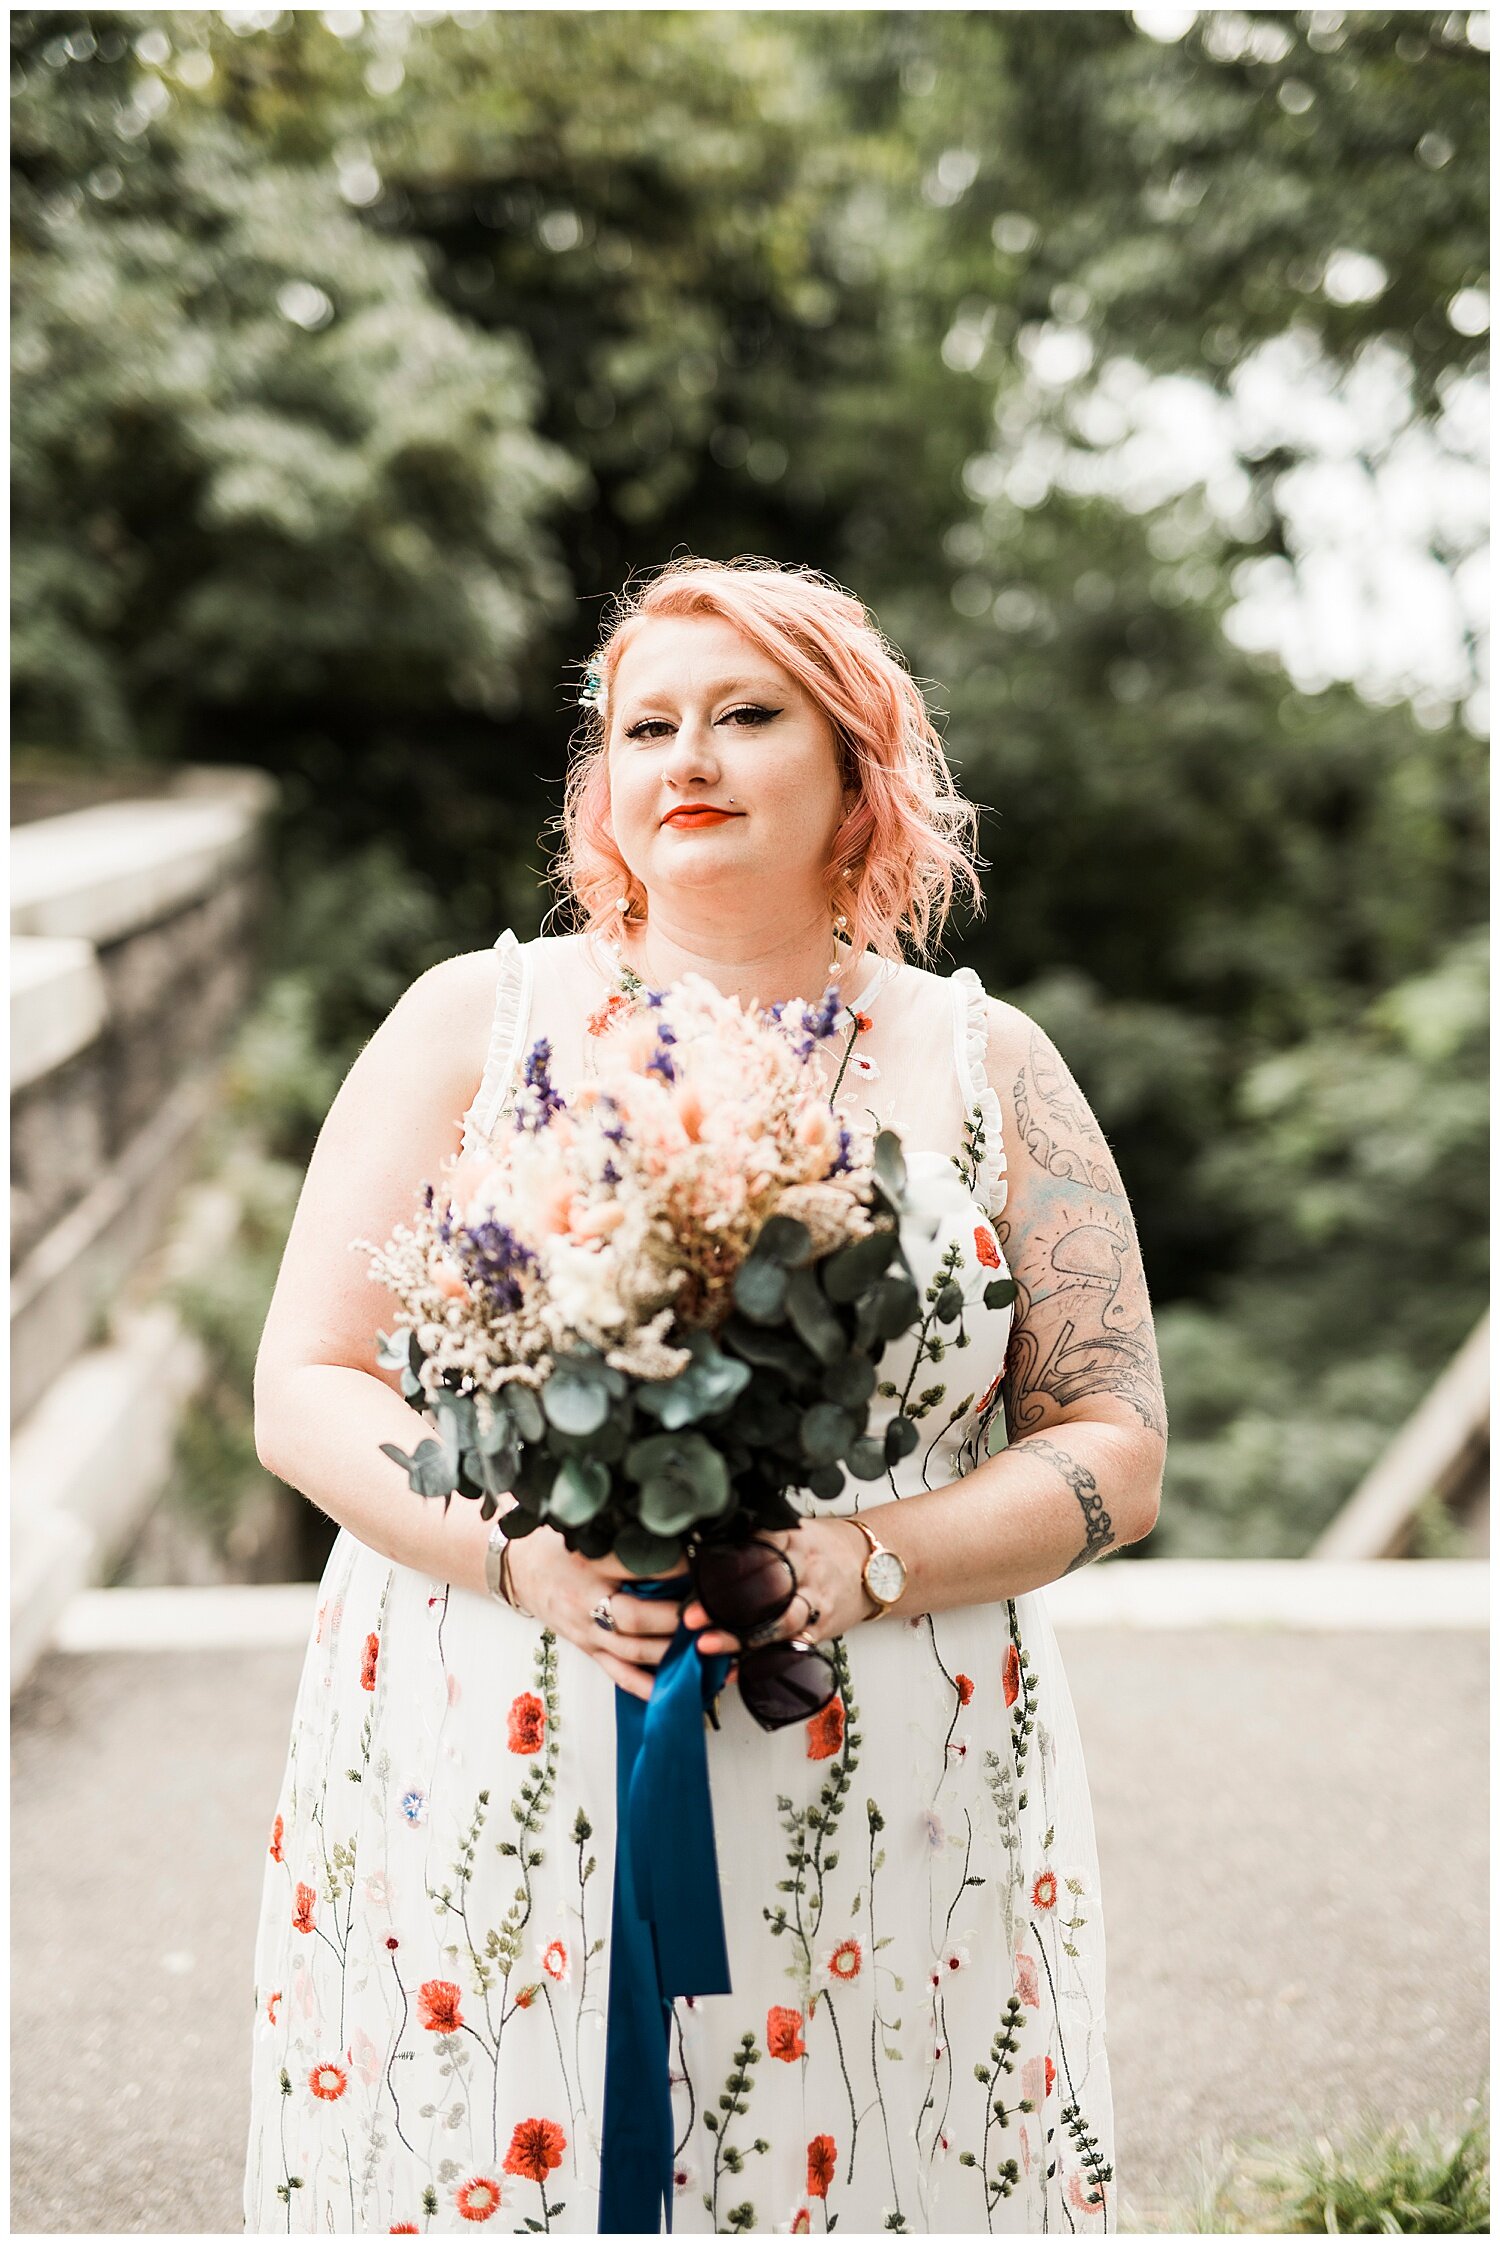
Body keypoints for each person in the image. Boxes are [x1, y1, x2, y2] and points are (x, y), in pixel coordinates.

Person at [243, 556, 1167, 2235]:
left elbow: (1114, 1442)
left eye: (747, 716)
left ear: (855, 771)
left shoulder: (986, 1062)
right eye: (644, 725)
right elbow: (304, 1385)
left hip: (892, 1770)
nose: (688, 758)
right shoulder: (476, 1022)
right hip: (503, 1724)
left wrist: (859, 1561)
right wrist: (517, 1555)